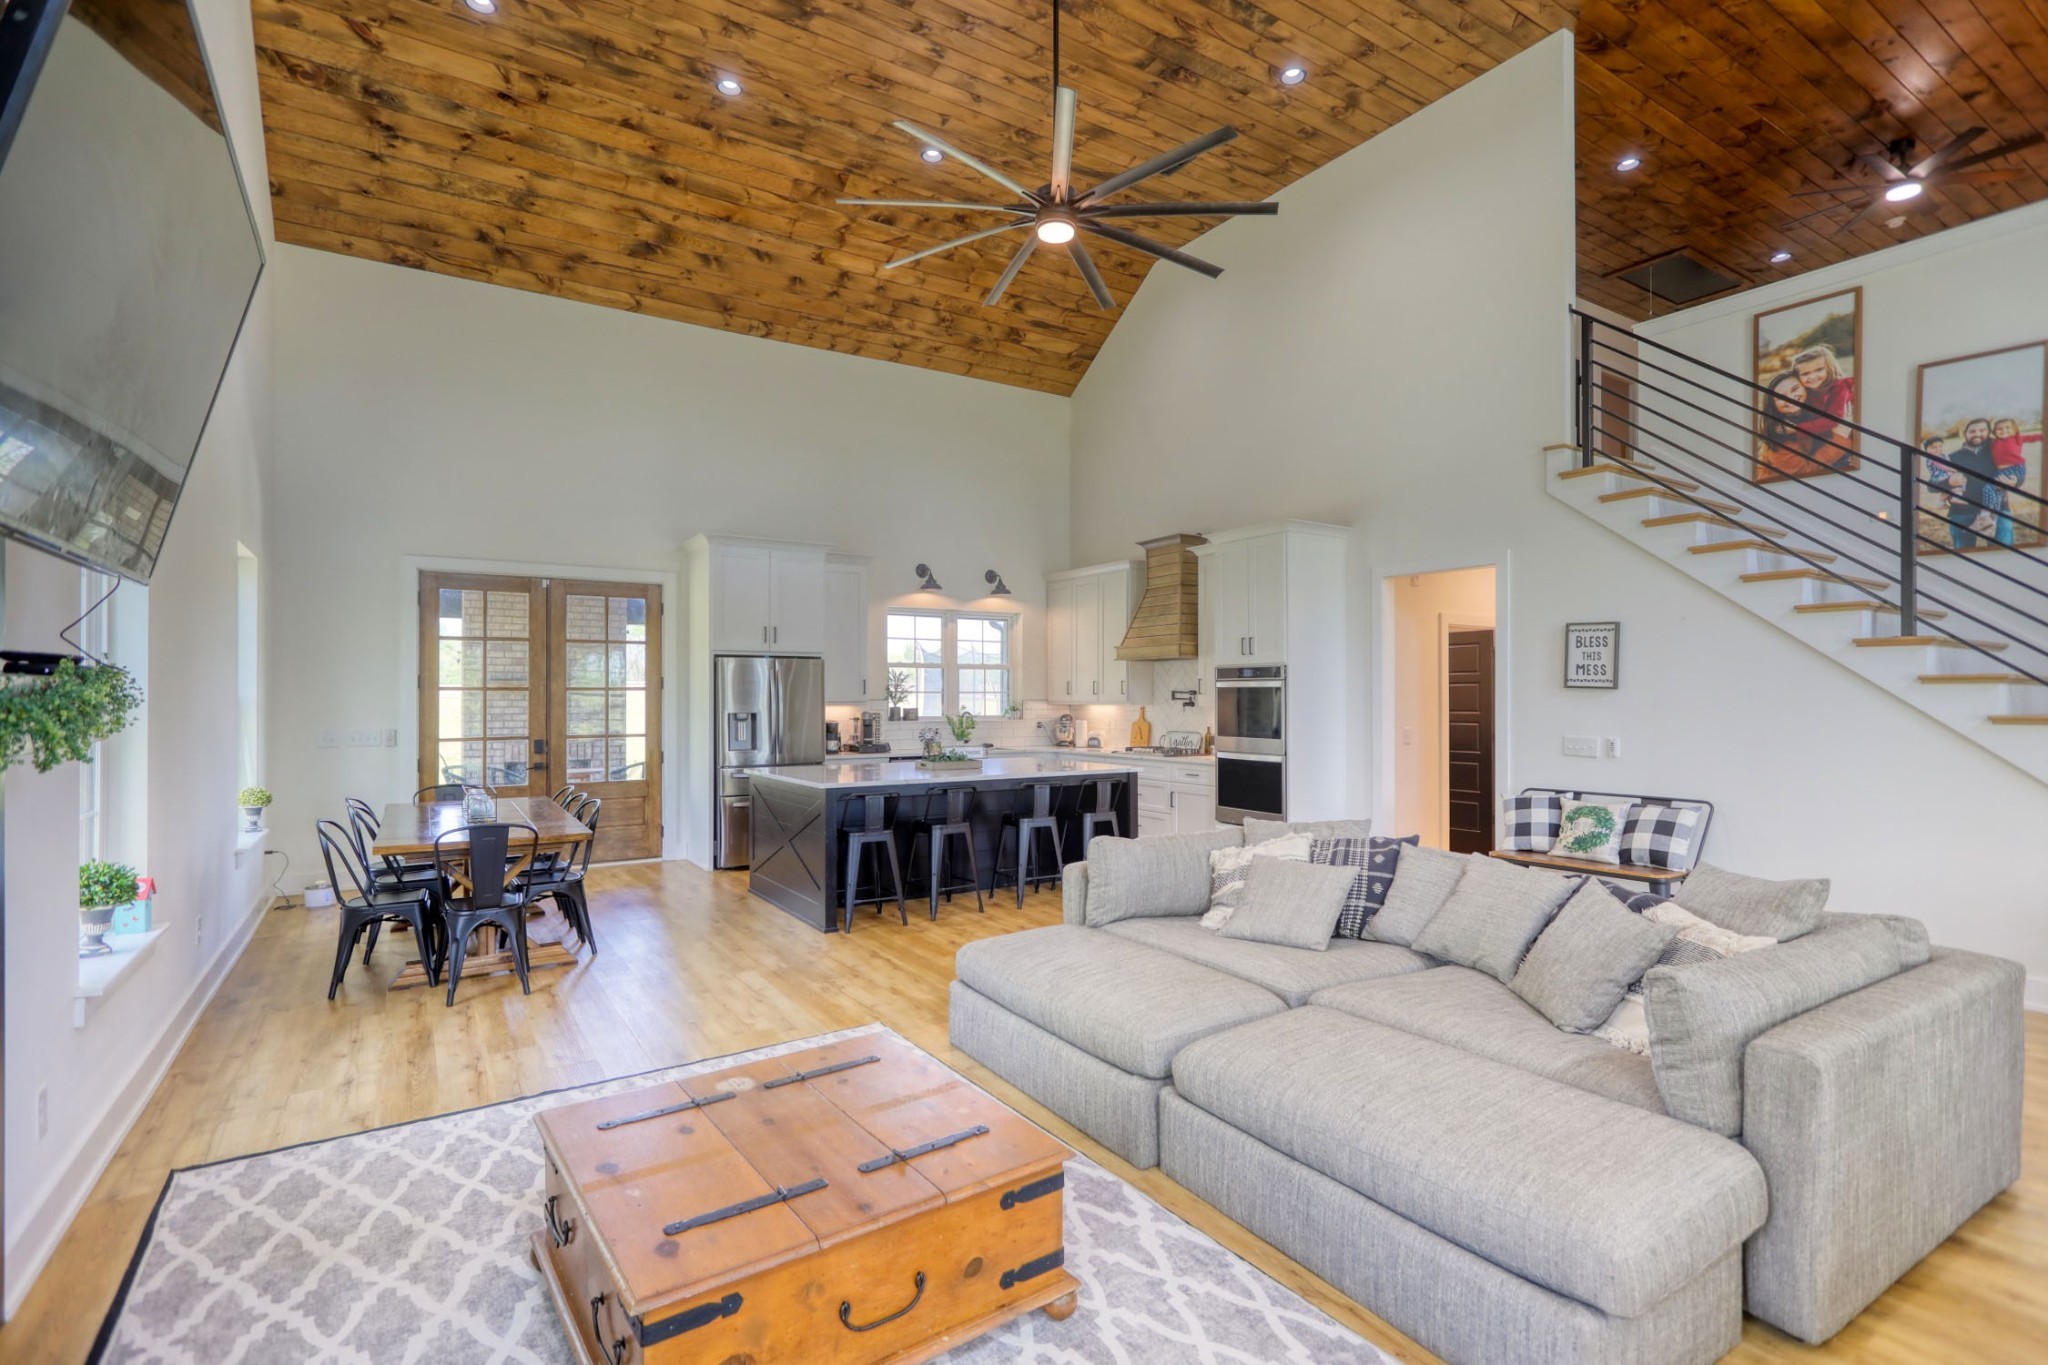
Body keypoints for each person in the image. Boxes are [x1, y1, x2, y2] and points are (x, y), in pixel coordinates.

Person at [1789, 345, 1857, 471]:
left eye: (1819, 370)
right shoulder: (1807, 393)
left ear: (1830, 368)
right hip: (1822, 441)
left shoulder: (1840, 387)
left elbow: (1834, 419)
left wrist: (1796, 429)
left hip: (1846, 444)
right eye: (1805, 373)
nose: (1812, 376)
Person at [1942, 418, 2002, 552]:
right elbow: (1932, 484)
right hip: (1962, 512)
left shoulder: (1999, 452)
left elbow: (2016, 474)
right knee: (1963, 558)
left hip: (1997, 511)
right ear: (1965, 433)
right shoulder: (1952, 457)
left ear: (1989, 432)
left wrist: (2014, 481)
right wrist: (1948, 482)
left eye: (1982, 430)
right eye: (1972, 431)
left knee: (2003, 555)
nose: (1977, 434)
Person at [1758, 373, 1822, 481]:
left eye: (1795, 389)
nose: (1791, 398)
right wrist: (1841, 435)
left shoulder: (1813, 411)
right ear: (1773, 405)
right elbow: (1803, 472)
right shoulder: (1778, 432)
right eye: (1781, 397)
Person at [1990, 418, 2040, 545]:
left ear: (2014, 430)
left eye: (2008, 428)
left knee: (1995, 488)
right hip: (2000, 472)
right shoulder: (1994, 442)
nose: (2004, 431)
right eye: (1999, 429)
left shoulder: (2017, 438)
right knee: (1992, 490)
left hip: (2016, 469)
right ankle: (1993, 518)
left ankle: (1995, 517)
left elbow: (2033, 437)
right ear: (1994, 431)